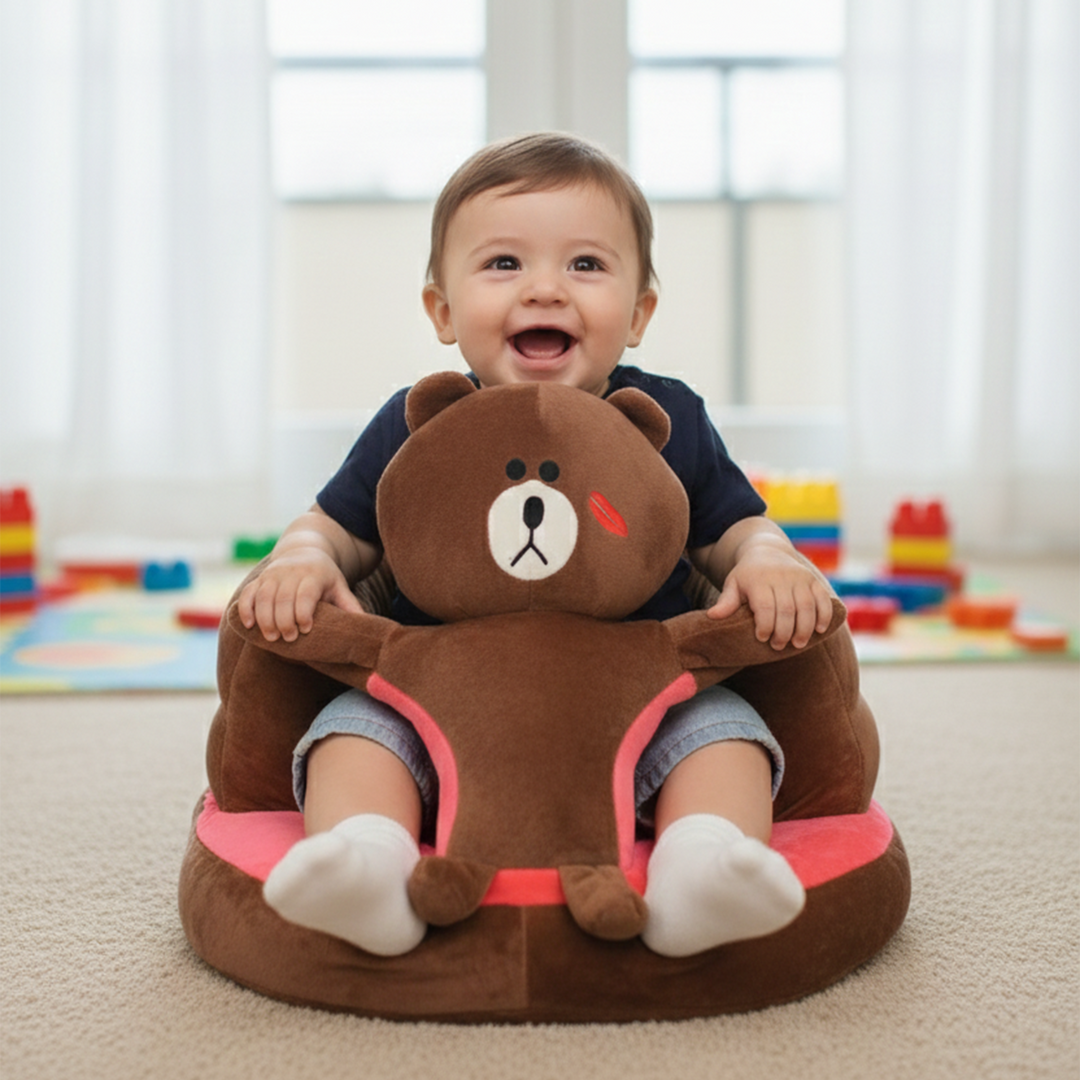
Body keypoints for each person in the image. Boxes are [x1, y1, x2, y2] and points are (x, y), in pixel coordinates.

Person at [238, 133, 835, 958]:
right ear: (443, 311)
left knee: (724, 731)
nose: (546, 288)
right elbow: (333, 526)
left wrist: (767, 558)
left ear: (638, 313)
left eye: (586, 264)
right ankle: (366, 861)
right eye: (503, 264)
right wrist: (302, 557)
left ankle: (704, 866)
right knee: (354, 729)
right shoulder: (420, 424)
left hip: (642, 696)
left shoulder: (669, 418)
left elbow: (734, 528)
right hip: (438, 700)